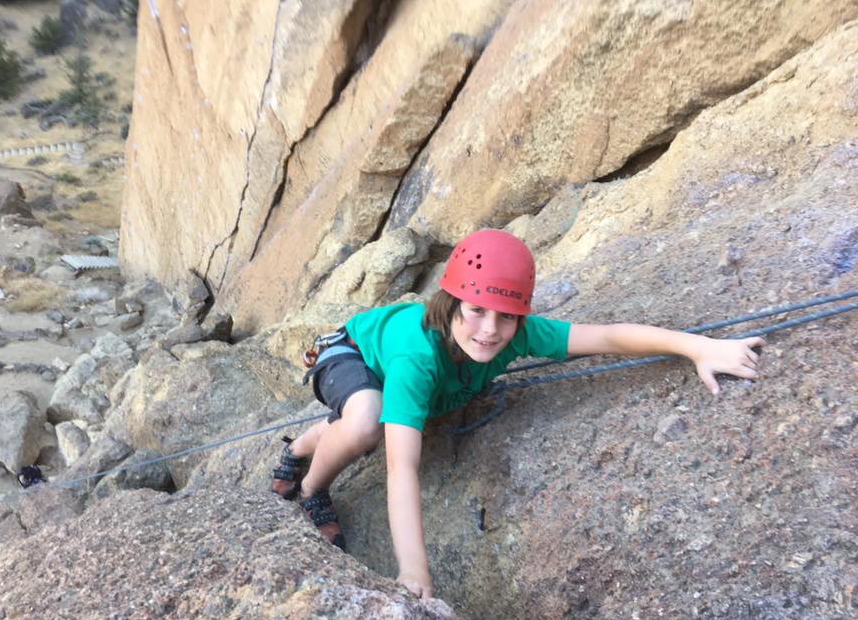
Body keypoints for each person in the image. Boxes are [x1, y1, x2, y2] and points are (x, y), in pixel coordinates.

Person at [271, 229, 763, 598]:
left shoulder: (517, 332)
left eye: (506, 316)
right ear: (452, 303)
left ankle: (299, 447)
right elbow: (403, 466)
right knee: (364, 421)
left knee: (372, 410)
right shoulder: (417, 356)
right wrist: (414, 570)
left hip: (384, 376)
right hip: (350, 353)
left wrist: (698, 348)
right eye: (476, 310)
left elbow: (607, 336)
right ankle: (311, 486)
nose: (490, 329)